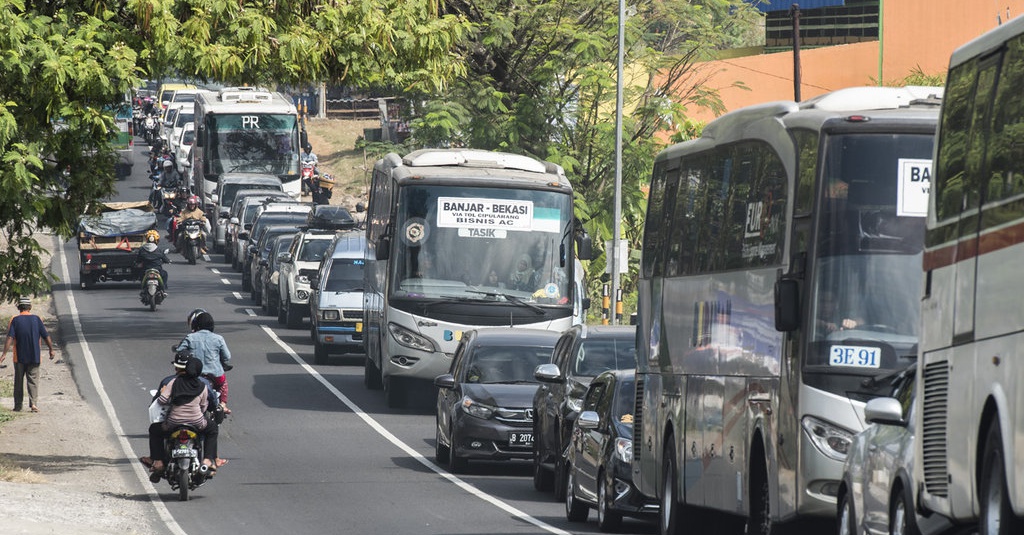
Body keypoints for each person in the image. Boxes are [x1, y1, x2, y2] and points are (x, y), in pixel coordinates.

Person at [142, 354, 222, 482]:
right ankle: (207, 460)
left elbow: (162, 401)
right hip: (197, 422)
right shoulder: (203, 385)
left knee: (154, 430)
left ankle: (158, 461)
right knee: (212, 429)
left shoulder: (174, 382)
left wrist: (165, 394)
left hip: (173, 423)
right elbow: (203, 407)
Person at [0, 297, 55, 412]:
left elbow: (10, 337)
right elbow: (46, 335)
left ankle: (18, 406)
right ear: (30, 307)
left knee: (18, 381)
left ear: (18, 308)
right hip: (34, 355)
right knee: (33, 380)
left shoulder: (14, 320)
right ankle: (33, 404)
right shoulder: (37, 319)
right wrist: (51, 349)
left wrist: (4, 354)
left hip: (19, 357)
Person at [174, 311, 233, 414]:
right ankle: (223, 405)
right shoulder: (219, 338)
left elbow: (179, 351)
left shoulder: (190, 337)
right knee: (223, 383)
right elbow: (227, 357)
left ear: (196, 325)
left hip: (194, 375)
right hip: (215, 376)